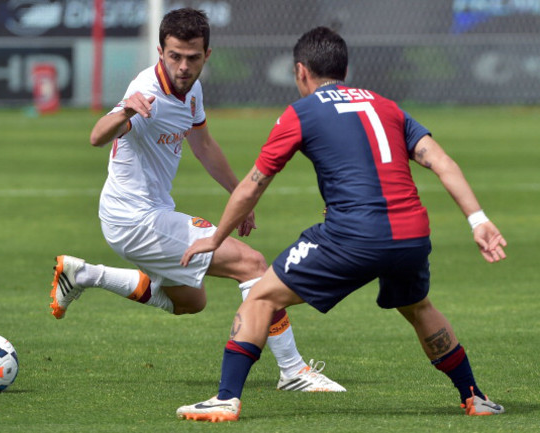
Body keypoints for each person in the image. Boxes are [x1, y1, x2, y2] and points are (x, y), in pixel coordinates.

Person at [176, 26, 507, 422]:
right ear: (345, 68)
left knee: (261, 297)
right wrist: (478, 220)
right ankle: (475, 397)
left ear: (300, 71)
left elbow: (253, 184)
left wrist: (216, 237)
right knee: (418, 306)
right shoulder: (387, 106)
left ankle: (226, 399)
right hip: (411, 235)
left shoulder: (301, 112)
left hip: (353, 236)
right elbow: (441, 161)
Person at [49, 9, 344, 392]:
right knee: (251, 264)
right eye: (174, 56)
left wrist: (242, 196)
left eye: (192, 57)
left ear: (207, 54)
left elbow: (203, 144)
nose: (183, 66)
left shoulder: (191, 90)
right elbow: (97, 135)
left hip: (144, 214)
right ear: (160, 52)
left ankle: (84, 274)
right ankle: (293, 371)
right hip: (135, 220)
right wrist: (125, 109)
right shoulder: (148, 91)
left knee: (191, 301)